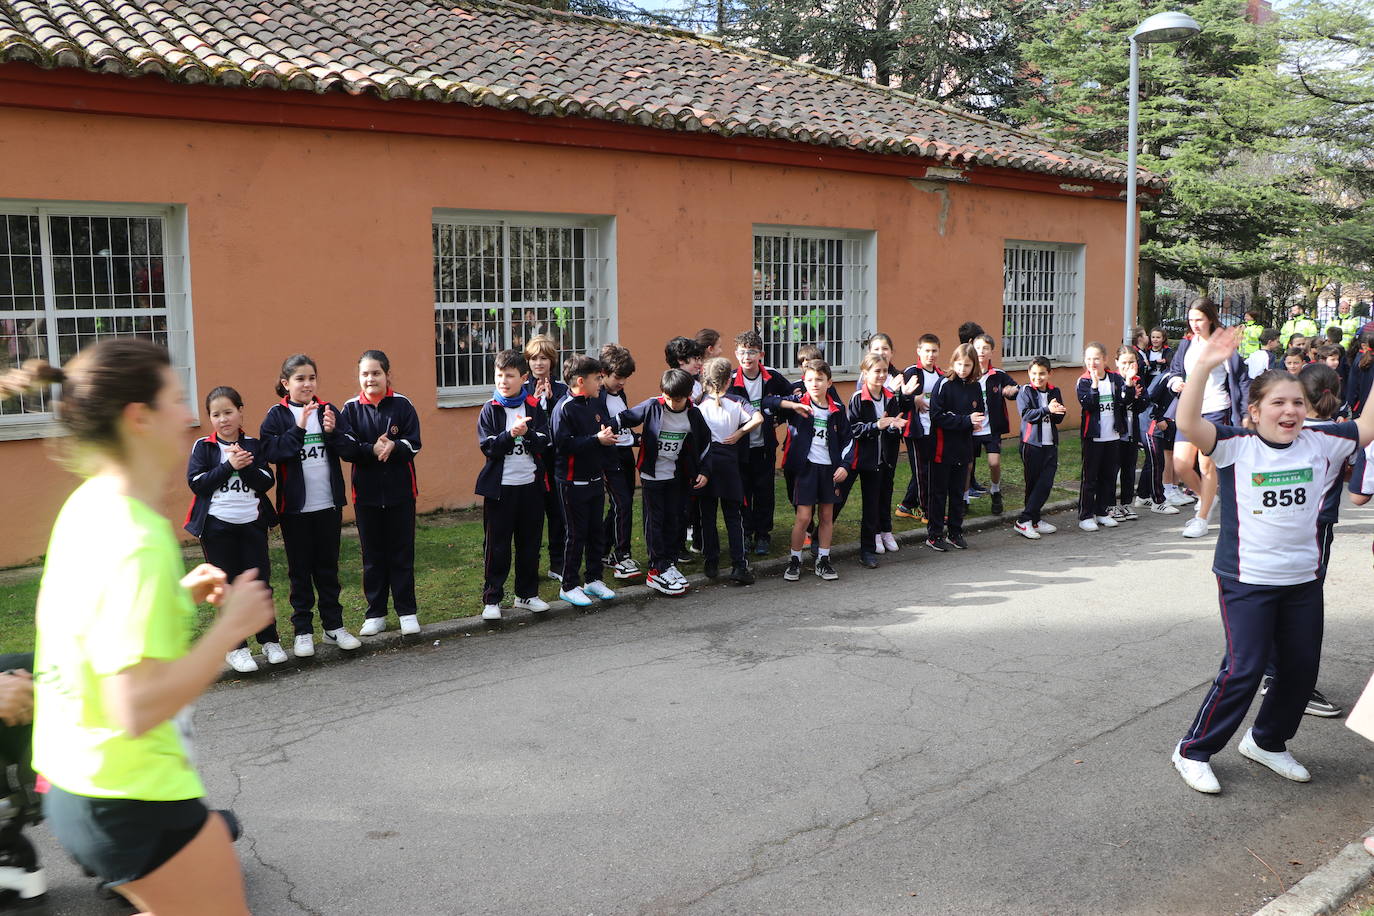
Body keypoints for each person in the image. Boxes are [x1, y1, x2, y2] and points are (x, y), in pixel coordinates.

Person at [22, 339, 275, 913]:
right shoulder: (138, 537)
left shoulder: (88, 505)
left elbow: (94, 626)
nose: (188, 416)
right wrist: (227, 629)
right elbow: (134, 706)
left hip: (75, 779)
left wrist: (174, 594)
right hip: (131, 791)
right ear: (139, 418)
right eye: (175, 400)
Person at [1171, 328, 1374, 795]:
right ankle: (1193, 750)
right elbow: (1188, 425)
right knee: (1244, 668)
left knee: (1301, 669)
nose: (1290, 411)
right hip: (1246, 579)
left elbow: (1368, 424)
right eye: (1279, 403)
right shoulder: (1234, 444)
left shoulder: (1324, 440)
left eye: (1298, 403)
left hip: (1302, 579)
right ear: (1255, 411)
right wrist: (1202, 366)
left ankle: (1267, 741)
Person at [259, 354, 361, 658]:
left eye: (311, 378)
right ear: (285, 383)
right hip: (295, 510)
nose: (307, 384)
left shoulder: (329, 410)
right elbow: (272, 452)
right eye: (300, 379)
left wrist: (333, 433)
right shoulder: (277, 415)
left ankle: (334, 626)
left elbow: (351, 450)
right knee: (300, 572)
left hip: (328, 505)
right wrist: (300, 428)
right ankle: (303, 631)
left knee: (327, 570)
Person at [185, 386, 283, 673]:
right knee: (226, 587)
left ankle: (269, 640)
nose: (223, 419)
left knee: (258, 583)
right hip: (217, 527)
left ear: (241, 412)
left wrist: (244, 466)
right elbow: (197, 483)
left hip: (252, 525)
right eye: (216, 414)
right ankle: (236, 648)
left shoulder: (253, 445)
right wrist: (229, 465)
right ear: (210, 418)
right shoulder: (204, 447)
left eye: (229, 412)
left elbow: (266, 481)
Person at [340, 350, 422, 637]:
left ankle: (406, 611)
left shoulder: (403, 404)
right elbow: (346, 448)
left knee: (401, 553)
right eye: (365, 374)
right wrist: (371, 449)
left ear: (387, 375)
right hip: (367, 497)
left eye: (376, 373)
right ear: (358, 377)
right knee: (372, 556)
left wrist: (395, 446)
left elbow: (414, 443)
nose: (370, 378)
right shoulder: (349, 409)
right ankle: (375, 613)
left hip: (401, 494)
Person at [610, 368, 711, 597]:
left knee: (675, 519)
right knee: (655, 521)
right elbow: (623, 418)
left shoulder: (693, 415)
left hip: (677, 475)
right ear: (662, 393)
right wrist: (606, 431)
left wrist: (705, 470)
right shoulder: (652, 406)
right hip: (652, 476)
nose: (672, 403)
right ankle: (656, 568)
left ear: (687, 396)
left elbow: (706, 443)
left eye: (678, 399)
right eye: (668, 398)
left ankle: (669, 561)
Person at [1162, 299, 1250, 539]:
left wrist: (1244, 414)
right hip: (1190, 411)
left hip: (1216, 409)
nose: (1194, 324)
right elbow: (1175, 371)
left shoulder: (1221, 346)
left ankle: (1201, 519)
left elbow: (1242, 379)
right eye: (1191, 320)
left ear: (1210, 318)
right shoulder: (1186, 344)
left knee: (1206, 465)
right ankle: (1207, 499)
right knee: (1181, 465)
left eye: (1199, 319)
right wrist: (1175, 382)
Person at [476, 349, 552, 621]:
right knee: (497, 546)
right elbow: (489, 447)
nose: (503, 381)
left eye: (509, 376)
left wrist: (527, 433)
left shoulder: (533, 406)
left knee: (530, 543)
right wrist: (510, 434)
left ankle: (526, 594)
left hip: (530, 487)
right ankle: (492, 598)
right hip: (501, 490)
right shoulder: (490, 409)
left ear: (524, 377)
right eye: (499, 375)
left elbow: (545, 442)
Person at [548, 355, 619, 609]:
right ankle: (568, 585)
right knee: (575, 534)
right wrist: (595, 440)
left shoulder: (596, 402)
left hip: (595, 479)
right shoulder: (564, 408)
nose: (601, 383)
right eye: (597, 378)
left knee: (595, 531)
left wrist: (609, 439)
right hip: (571, 483)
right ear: (581, 381)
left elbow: (603, 432)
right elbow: (563, 445)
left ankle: (593, 578)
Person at [777, 359, 850, 579]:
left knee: (826, 516)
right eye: (810, 379)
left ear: (829, 382)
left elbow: (849, 440)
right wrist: (792, 405)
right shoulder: (800, 405)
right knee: (803, 517)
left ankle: (823, 560)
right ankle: (795, 560)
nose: (814, 383)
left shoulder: (837, 410)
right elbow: (769, 403)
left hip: (830, 470)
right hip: (806, 470)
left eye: (819, 379)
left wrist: (845, 466)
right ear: (804, 381)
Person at [696, 357, 761, 584]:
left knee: (708, 515)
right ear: (728, 380)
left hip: (707, 462)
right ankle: (739, 565)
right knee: (734, 516)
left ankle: (711, 561)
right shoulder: (737, 401)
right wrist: (740, 433)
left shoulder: (700, 405)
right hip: (729, 461)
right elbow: (758, 418)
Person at [729, 330, 793, 556]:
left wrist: (779, 419)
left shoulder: (772, 377)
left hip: (764, 447)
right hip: (740, 448)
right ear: (736, 354)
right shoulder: (731, 379)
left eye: (752, 352)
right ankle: (746, 533)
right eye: (743, 352)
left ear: (761, 354)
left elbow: (792, 396)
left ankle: (763, 534)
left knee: (764, 492)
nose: (747, 357)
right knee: (743, 493)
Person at [843, 353, 906, 566]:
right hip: (856, 458)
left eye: (884, 371)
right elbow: (852, 430)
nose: (881, 375)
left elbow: (893, 428)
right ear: (865, 373)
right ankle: (818, 542)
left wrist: (894, 428)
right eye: (876, 371)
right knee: (837, 501)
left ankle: (867, 551)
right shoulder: (858, 397)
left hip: (878, 462)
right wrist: (877, 426)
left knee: (872, 506)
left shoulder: (890, 397)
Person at [924, 343, 984, 551]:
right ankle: (934, 534)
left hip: (964, 447)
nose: (962, 369)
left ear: (974, 365)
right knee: (939, 493)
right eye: (959, 364)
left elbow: (979, 412)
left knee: (958, 491)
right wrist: (966, 420)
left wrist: (976, 421)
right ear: (952, 363)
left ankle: (955, 532)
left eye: (967, 365)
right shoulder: (943, 384)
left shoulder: (976, 386)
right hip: (942, 448)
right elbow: (937, 417)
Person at [524, 335, 569, 581]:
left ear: (552, 361)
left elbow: (563, 423)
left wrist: (551, 401)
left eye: (543, 358)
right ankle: (531, 566)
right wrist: (534, 400)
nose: (538, 363)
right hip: (532, 460)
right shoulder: (523, 389)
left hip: (555, 459)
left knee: (557, 511)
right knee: (532, 515)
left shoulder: (561, 389)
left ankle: (558, 563)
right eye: (533, 358)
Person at [1076, 342, 1132, 532]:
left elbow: (1126, 400)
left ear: (1105, 360)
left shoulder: (1115, 379)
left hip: (1112, 436)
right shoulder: (1083, 381)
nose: (1092, 362)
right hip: (1093, 438)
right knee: (1090, 478)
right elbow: (1088, 405)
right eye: (1089, 359)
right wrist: (1094, 385)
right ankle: (1085, 515)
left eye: (1097, 359)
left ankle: (1101, 511)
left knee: (1108, 477)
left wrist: (1130, 383)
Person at [598, 344, 641, 581]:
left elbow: (624, 428)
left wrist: (637, 438)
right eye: (618, 377)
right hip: (609, 456)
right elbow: (605, 426)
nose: (622, 382)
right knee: (622, 503)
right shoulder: (598, 396)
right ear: (603, 372)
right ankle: (621, 555)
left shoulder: (619, 394)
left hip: (625, 454)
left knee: (619, 505)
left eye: (625, 378)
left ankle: (603, 550)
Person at [1013, 357, 1065, 539]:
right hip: (1031, 444)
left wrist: (1058, 411)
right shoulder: (1025, 391)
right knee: (1033, 484)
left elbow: (1058, 419)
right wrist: (1047, 410)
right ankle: (1026, 521)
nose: (1038, 377)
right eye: (1034, 373)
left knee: (1046, 483)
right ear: (1029, 373)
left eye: (1042, 373)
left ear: (1049, 374)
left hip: (1050, 444)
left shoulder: (1054, 391)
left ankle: (1032, 520)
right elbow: (1027, 415)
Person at [969, 334, 1019, 515]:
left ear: (991, 351)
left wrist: (1012, 391)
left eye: (985, 348)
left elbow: (1014, 389)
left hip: (991, 429)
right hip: (970, 428)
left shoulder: (998, 375)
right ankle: (964, 497)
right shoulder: (966, 373)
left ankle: (995, 490)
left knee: (994, 462)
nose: (981, 352)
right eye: (978, 347)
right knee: (967, 465)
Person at [896, 334, 941, 524]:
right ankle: (927, 511)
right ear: (919, 351)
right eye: (927, 351)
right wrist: (913, 399)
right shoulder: (911, 372)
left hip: (933, 429)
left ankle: (907, 505)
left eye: (934, 351)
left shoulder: (941, 374)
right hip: (915, 430)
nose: (930, 355)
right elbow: (899, 399)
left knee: (927, 468)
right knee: (922, 471)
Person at [1109, 347, 1146, 521]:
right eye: (1124, 362)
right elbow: (1120, 403)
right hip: (1117, 433)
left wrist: (1138, 398)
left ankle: (1126, 504)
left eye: (1131, 362)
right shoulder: (1113, 381)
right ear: (1117, 363)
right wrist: (1130, 391)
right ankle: (1110, 505)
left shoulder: (1139, 380)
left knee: (1129, 470)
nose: (1128, 366)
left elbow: (1142, 405)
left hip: (1132, 432)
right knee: (1112, 469)